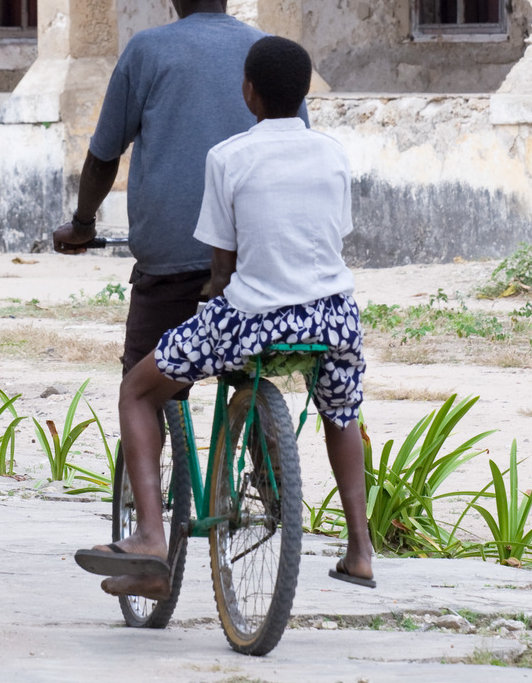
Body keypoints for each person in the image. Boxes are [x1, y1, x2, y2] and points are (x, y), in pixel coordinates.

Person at [76, 35, 374, 595]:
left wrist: (214, 298)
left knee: (138, 391)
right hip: (334, 318)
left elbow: (222, 264)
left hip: (253, 317)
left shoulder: (229, 156)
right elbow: (333, 237)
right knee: (343, 412)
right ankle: (359, 549)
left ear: (249, 93)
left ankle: (149, 541)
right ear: (305, 93)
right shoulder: (334, 154)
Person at [51, 0, 280, 381]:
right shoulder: (268, 53)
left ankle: (148, 431)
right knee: (246, 376)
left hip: (171, 261)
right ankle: (257, 426)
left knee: (142, 389)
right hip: (252, 257)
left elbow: (103, 156)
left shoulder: (147, 50)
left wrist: (82, 225)